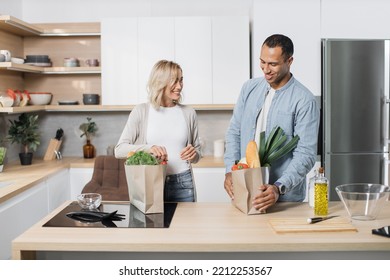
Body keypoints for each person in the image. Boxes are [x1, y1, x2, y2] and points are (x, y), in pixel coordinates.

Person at [224, 34, 320, 212]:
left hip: (284, 199)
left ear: (289, 61)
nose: (266, 69)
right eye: (262, 62)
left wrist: (278, 187)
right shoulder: (249, 88)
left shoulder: (305, 100)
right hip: (246, 190)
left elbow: (306, 154)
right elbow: (234, 132)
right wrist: (230, 171)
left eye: (273, 64)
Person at [115, 60, 201, 202]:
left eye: (181, 80)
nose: (179, 86)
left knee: (185, 224)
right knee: (151, 224)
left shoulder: (189, 113)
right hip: (151, 181)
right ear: (160, 82)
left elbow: (197, 154)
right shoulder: (141, 111)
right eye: (174, 81)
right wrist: (150, 148)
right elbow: (119, 150)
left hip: (183, 182)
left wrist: (194, 154)